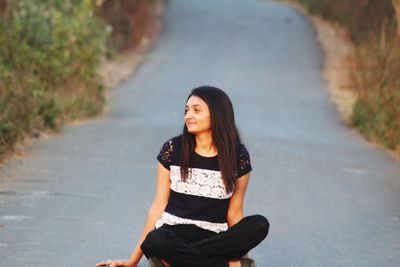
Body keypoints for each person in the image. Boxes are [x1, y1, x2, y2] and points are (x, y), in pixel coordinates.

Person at [96, 86, 269, 267]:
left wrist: (241, 251)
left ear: (217, 114)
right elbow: (158, 205)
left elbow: (234, 213)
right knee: (156, 239)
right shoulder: (172, 149)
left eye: (196, 110)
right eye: (186, 111)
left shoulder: (237, 156)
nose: (188, 116)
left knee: (259, 224)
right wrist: (132, 261)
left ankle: (175, 262)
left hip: (214, 238)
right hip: (173, 234)